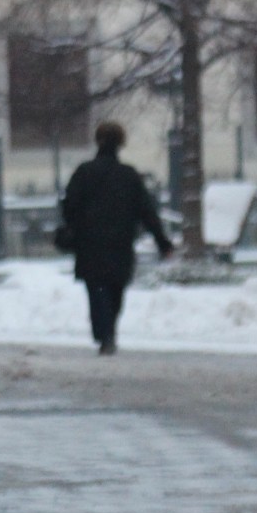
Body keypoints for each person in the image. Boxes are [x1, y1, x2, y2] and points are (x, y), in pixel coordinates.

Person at [60, 121, 174, 354]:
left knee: (96, 289)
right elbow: (147, 211)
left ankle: (103, 333)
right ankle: (109, 331)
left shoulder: (84, 172)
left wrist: (75, 226)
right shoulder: (129, 176)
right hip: (120, 244)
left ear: (97, 141)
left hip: (90, 244)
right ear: (121, 143)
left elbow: (69, 206)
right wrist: (162, 241)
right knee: (115, 290)